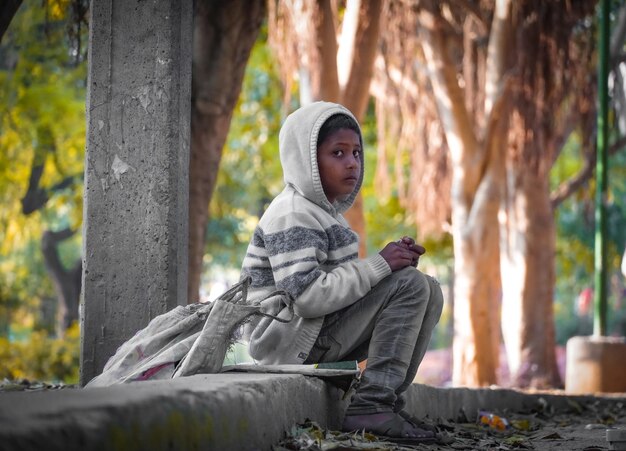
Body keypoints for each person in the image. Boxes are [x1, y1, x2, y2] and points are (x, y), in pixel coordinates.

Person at [240, 101, 443, 445]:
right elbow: (306, 298)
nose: (351, 162)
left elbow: (342, 287)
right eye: (337, 153)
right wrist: (381, 266)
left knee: (428, 288)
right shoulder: (292, 214)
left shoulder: (328, 215)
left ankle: (384, 401)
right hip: (288, 344)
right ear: (307, 161)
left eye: (356, 153)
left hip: (316, 335)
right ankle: (372, 404)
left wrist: (393, 264)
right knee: (408, 285)